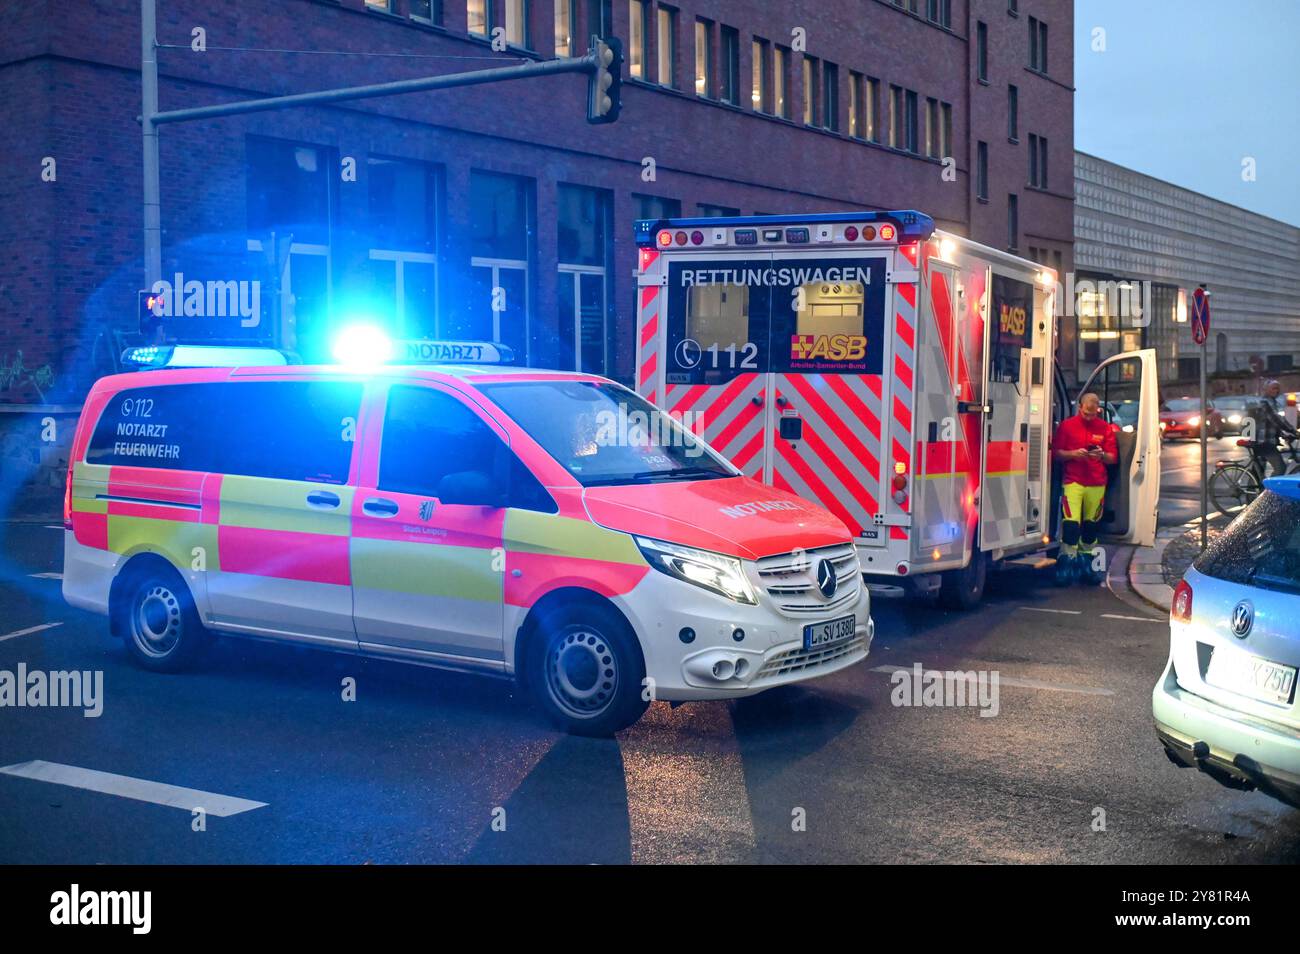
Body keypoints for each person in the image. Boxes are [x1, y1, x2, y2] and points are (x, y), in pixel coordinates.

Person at [1053, 392, 1118, 586]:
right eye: (1086, 414)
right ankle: (1066, 566)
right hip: (1073, 481)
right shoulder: (1067, 426)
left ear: (1098, 409)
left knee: (1091, 528)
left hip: (1097, 482)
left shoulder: (1105, 428)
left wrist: (1101, 455)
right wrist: (1073, 454)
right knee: (1071, 526)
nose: (1090, 417)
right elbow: (1055, 453)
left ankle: (1086, 566)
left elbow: (1113, 458)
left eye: (1093, 414)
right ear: (1080, 407)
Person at [1249, 380, 1297, 478]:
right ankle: (1270, 491)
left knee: (1259, 472)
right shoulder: (1265, 403)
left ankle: (1254, 492)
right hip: (1264, 442)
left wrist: (1283, 434)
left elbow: (1271, 424)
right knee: (1280, 468)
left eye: (1278, 388)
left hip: (1262, 440)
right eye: (1274, 388)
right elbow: (1277, 419)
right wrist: (1292, 430)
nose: (1277, 390)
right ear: (1266, 390)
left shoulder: (1272, 402)